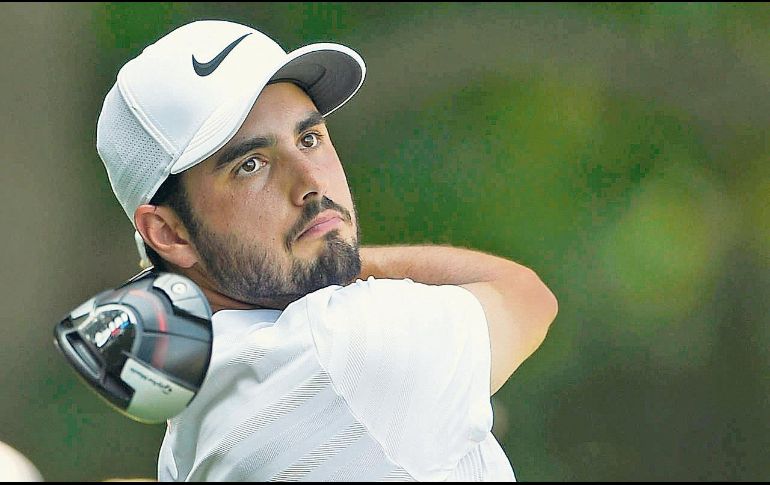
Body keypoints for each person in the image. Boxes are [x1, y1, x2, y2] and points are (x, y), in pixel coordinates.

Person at [95, 19, 558, 482]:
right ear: (170, 234)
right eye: (251, 165)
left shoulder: (189, 425)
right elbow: (524, 297)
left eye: (309, 139)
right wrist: (341, 255)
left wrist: (311, 248)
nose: (311, 182)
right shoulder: (340, 347)